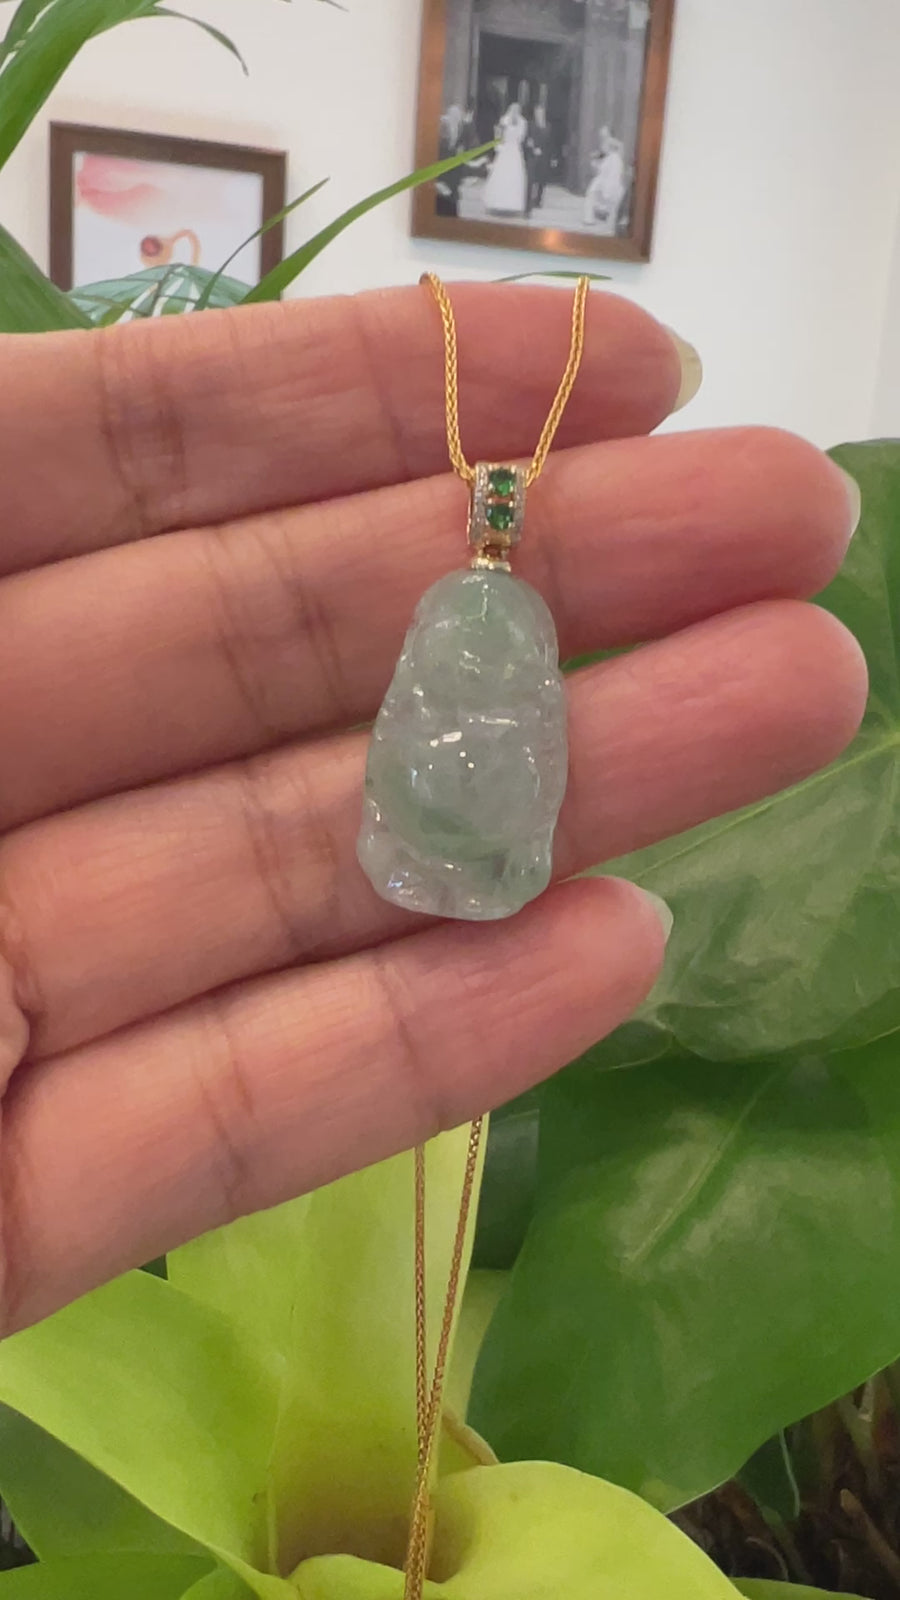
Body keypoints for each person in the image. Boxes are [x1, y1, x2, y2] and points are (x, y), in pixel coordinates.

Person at [0, 284, 863, 1333]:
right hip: (425, 847)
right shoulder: (465, 621)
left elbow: (523, 742)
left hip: (483, 855)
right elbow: (424, 729)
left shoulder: (498, 625)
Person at [482, 101, 528, 215]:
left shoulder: (522, 122)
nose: (515, 112)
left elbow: (521, 138)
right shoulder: (504, 120)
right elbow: (499, 135)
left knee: (514, 176)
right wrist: (499, 145)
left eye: (517, 110)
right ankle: (497, 203)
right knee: (501, 174)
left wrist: (516, 129)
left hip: (515, 150)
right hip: (505, 149)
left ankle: (513, 205)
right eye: (513, 109)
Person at [583, 128, 626, 230]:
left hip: (609, 179)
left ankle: (605, 217)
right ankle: (592, 217)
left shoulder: (614, 152)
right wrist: (596, 159)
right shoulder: (608, 152)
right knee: (592, 193)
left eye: (604, 132)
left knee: (602, 195)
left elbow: (618, 148)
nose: (602, 135)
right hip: (605, 177)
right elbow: (602, 156)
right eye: (601, 133)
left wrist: (596, 162)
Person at [525, 103, 552, 216]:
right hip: (532, 155)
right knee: (530, 179)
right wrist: (533, 148)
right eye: (537, 112)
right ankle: (528, 203)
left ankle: (538, 200)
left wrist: (551, 157)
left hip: (544, 156)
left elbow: (550, 142)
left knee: (542, 179)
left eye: (540, 112)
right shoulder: (530, 125)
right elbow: (527, 139)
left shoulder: (548, 126)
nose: (538, 114)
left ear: (543, 113)